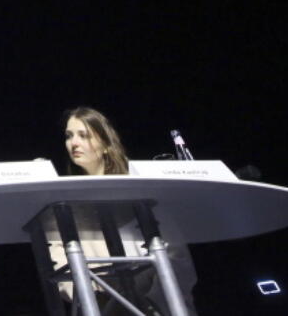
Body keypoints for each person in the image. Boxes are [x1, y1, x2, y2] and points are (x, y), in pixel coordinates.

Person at [49, 106, 197, 315]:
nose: (73, 143)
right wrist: (93, 299)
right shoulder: (65, 203)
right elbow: (60, 264)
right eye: (69, 136)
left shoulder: (141, 189)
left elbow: (177, 257)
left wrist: (153, 303)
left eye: (83, 135)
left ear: (106, 144)